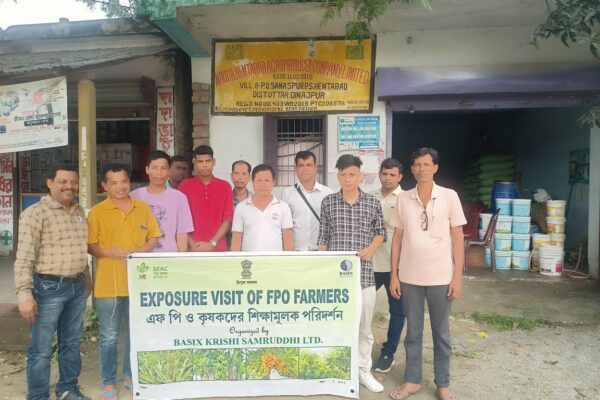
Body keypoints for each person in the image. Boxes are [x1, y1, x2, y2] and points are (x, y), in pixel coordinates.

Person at [388, 148, 466, 400]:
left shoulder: (449, 196)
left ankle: (442, 383)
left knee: (441, 334)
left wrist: (457, 277)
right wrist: (394, 275)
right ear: (411, 169)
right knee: (413, 333)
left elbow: (457, 239)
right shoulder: (403, 199)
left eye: (426, 164)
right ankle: (412, 380)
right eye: (417, 165)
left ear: (435, 167)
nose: (421, 169)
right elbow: (397, 239)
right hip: (409, 277)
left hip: (441, 278)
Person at [14, 165, 91, 400]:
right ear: (50, 182)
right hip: (48, 290)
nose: (69, 186)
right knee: (41, 349)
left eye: (73, 182)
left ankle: (67, 389)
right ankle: (37, 396)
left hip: (77, 288)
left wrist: (87, 279)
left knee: (71, 343)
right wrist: (24, 295)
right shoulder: (36, 213)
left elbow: (81, 249)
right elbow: (24, 257)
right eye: (63, 181)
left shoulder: (79, 212)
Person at [87, 164, 161, 400]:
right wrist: (108, 252)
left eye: (124, 181)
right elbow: (91, 245)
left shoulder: (142, 208)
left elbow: (153, 237)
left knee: (134, 333)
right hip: (108, 284)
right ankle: (108, 382)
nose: (121, 187)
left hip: (138, 283)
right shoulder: (98, 212)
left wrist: (139, 252)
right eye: (114, 183)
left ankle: (131, 377)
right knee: (109, 336)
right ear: (105, 186)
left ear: (130, 183)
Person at [317, 154, 386, 393]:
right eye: (344, 174)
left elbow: (380, 232)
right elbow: (323, 237)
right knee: (337, 324)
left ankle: (363, 371)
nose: (348, 179)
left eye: (352, 174)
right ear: (338, 175)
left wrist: (370, 249)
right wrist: (323, 270)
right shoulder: (328, 203)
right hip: (337, 279)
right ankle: (338, 371)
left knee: (365, 327)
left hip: (365, 275)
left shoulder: (372, 202)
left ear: (360, 176)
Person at [371, 158, 406, 373]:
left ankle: (388, 352)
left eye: (392, 175)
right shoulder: (370, 196)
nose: (388, 178)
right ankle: (359, 346)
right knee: (361, 306)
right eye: (385, 173)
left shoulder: (406, 199)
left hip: (398, 266)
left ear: (400, 177)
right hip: (371, 263)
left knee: (398, 311)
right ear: (379, 174)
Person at [131, 150, 194, 252]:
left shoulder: (179, 198)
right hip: (140, 259)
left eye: (163, 168)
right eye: (154, 168)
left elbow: (182, 233)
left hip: (169, 259)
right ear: (147, 169)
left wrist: (181, 260)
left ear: (169, 171)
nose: (159, 173)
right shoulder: (134, 196)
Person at [178, 145, 233, 252]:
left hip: (219, 249)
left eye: (208, 161)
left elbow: (227, 219)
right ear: (194, 162)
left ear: (214, 162)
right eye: (200, 162)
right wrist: (192, 244)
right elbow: (180, 220)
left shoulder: (225, 186)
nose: (204, 165)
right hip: (192, 249)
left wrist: (212, 243)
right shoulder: (184, 186)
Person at [230, 164, 294, 251]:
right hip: (249, 263)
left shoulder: (283, 207)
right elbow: (236, 239)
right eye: (259, 180)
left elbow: (288, 240)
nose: (263, 185)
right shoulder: (241, 207)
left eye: (267, 180)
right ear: (252, 182)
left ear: (273, 183)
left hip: (276, 262)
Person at [281, 150, 332, 250]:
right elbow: (282, 225)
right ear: (296, 169)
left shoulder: (328, 193)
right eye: (301, 165)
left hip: (321, 252)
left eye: (309, 165)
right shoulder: (286, 194)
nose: (305, 169)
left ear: (315, 168)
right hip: (295, 252)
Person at [227, 160, 252, 248]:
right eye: (236, 173)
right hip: (228, 245)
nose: (240, 177)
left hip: (249, 246)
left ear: (249, 177)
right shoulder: (225, 199)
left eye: (244, 174)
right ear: (231, 176)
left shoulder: (254, 200)